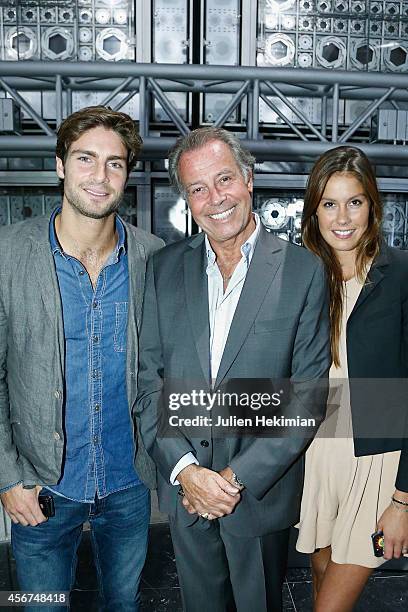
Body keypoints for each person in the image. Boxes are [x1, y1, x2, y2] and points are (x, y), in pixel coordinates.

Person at [135, 126, 331, 612]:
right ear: (186, 200)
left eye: (224, 179)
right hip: (187, 497)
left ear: (248, 179)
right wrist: (188, 473)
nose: (214, 198)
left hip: (258, 499)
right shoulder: (163, 269)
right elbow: (147, 384)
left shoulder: (304, 271)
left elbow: (307, 397)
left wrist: (231, 480)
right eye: (197, 189)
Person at [0, 105, 163, 611]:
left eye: (115, 163)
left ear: (128, 175)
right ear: (60, 165)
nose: (100, 176)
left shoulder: (154, 258)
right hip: (41, 488)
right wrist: (7, 477)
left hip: (129, 484)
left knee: (123, 604)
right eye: (86, 158)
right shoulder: (8, 254)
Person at [296, 145, 408, 612]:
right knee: (321, 577)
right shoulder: (299, 275)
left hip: (378, 458)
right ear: (314, 210)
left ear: (372, 207)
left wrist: (403, 500)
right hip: (316, 454)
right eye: (329, 203)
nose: (342, 217)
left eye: (355, 202)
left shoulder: (400, 274)